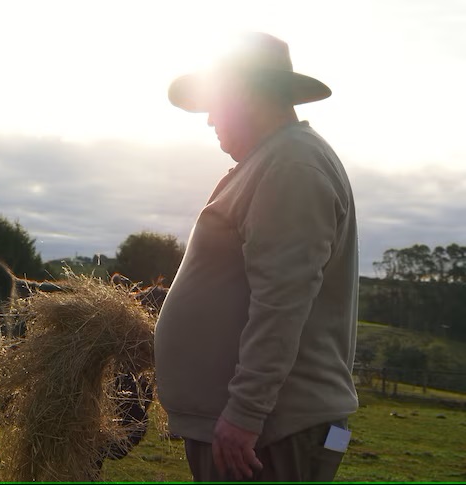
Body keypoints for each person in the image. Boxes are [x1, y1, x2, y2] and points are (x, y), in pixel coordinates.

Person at [153, 32, 359, 482]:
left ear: (246, 94)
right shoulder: (270, 162)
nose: (208, 120)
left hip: (270, 434)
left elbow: (281, 302)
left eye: (214, 103)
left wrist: (246, 412)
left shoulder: (291, 166)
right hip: (261, 431)